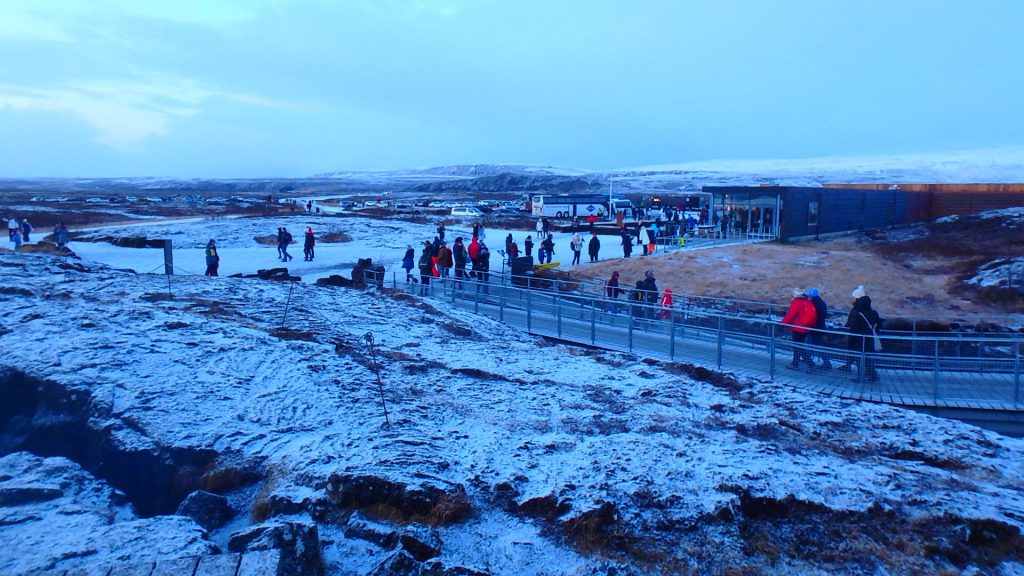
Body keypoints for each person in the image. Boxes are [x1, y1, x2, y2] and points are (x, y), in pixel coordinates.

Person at [838, 285, 881, 381]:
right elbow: (878, 326)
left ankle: (859, 376)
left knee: (858, 358)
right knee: (868, 359)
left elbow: (852, 328)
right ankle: (872, 375)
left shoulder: (856, 313)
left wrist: (849, 339)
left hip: (857, 340)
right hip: (869, 339)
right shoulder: (874, 312)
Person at [781, 288, 818, 370]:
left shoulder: (797, 303)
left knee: (798, 346)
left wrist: (782, 324)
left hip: (798, 327)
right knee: (799, 346)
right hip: (805, 327)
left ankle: (808, 363)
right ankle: (796, 363)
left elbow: (791, 315)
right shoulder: (808, 302)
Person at [807, 288, 832, 370]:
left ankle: (826, 362)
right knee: (813, 343)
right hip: (820, 326)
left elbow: (811, 316)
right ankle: (808, 359)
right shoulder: (822, 303)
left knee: (817, 345)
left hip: (814, 327)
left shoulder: (813, 304)